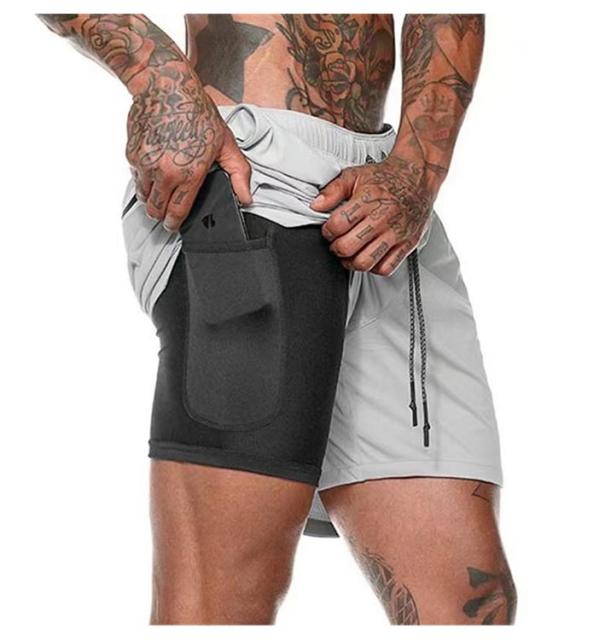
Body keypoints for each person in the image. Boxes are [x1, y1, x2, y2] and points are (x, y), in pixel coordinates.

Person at [38, 13, 516, 625]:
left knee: (469, 605)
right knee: (225, 601)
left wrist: (417, 171)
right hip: (252, 178)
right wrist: (156, 74)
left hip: (389, 193)